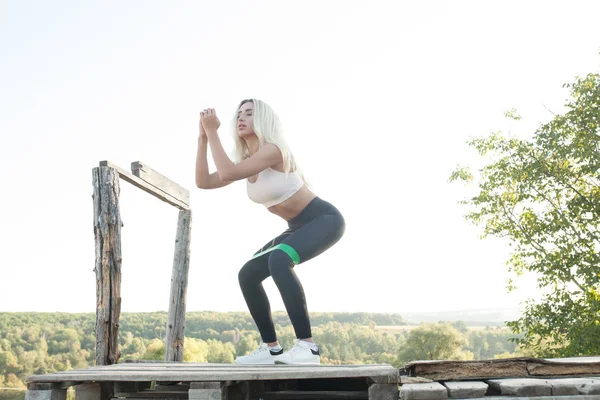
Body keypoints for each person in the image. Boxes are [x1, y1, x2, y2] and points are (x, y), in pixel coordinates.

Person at [195, 99, 345, 365]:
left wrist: (213, 131)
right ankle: (271, 348)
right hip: (297, 227)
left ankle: (307, 347)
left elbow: (227, 171)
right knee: (248, 274)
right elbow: (204, 182)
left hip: (324, 219)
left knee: (279, 260)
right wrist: (203, 137)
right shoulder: (246, 161)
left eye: (250, 114)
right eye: (239, 114)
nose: (241, 118)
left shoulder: (273, 151)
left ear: (264, 120)